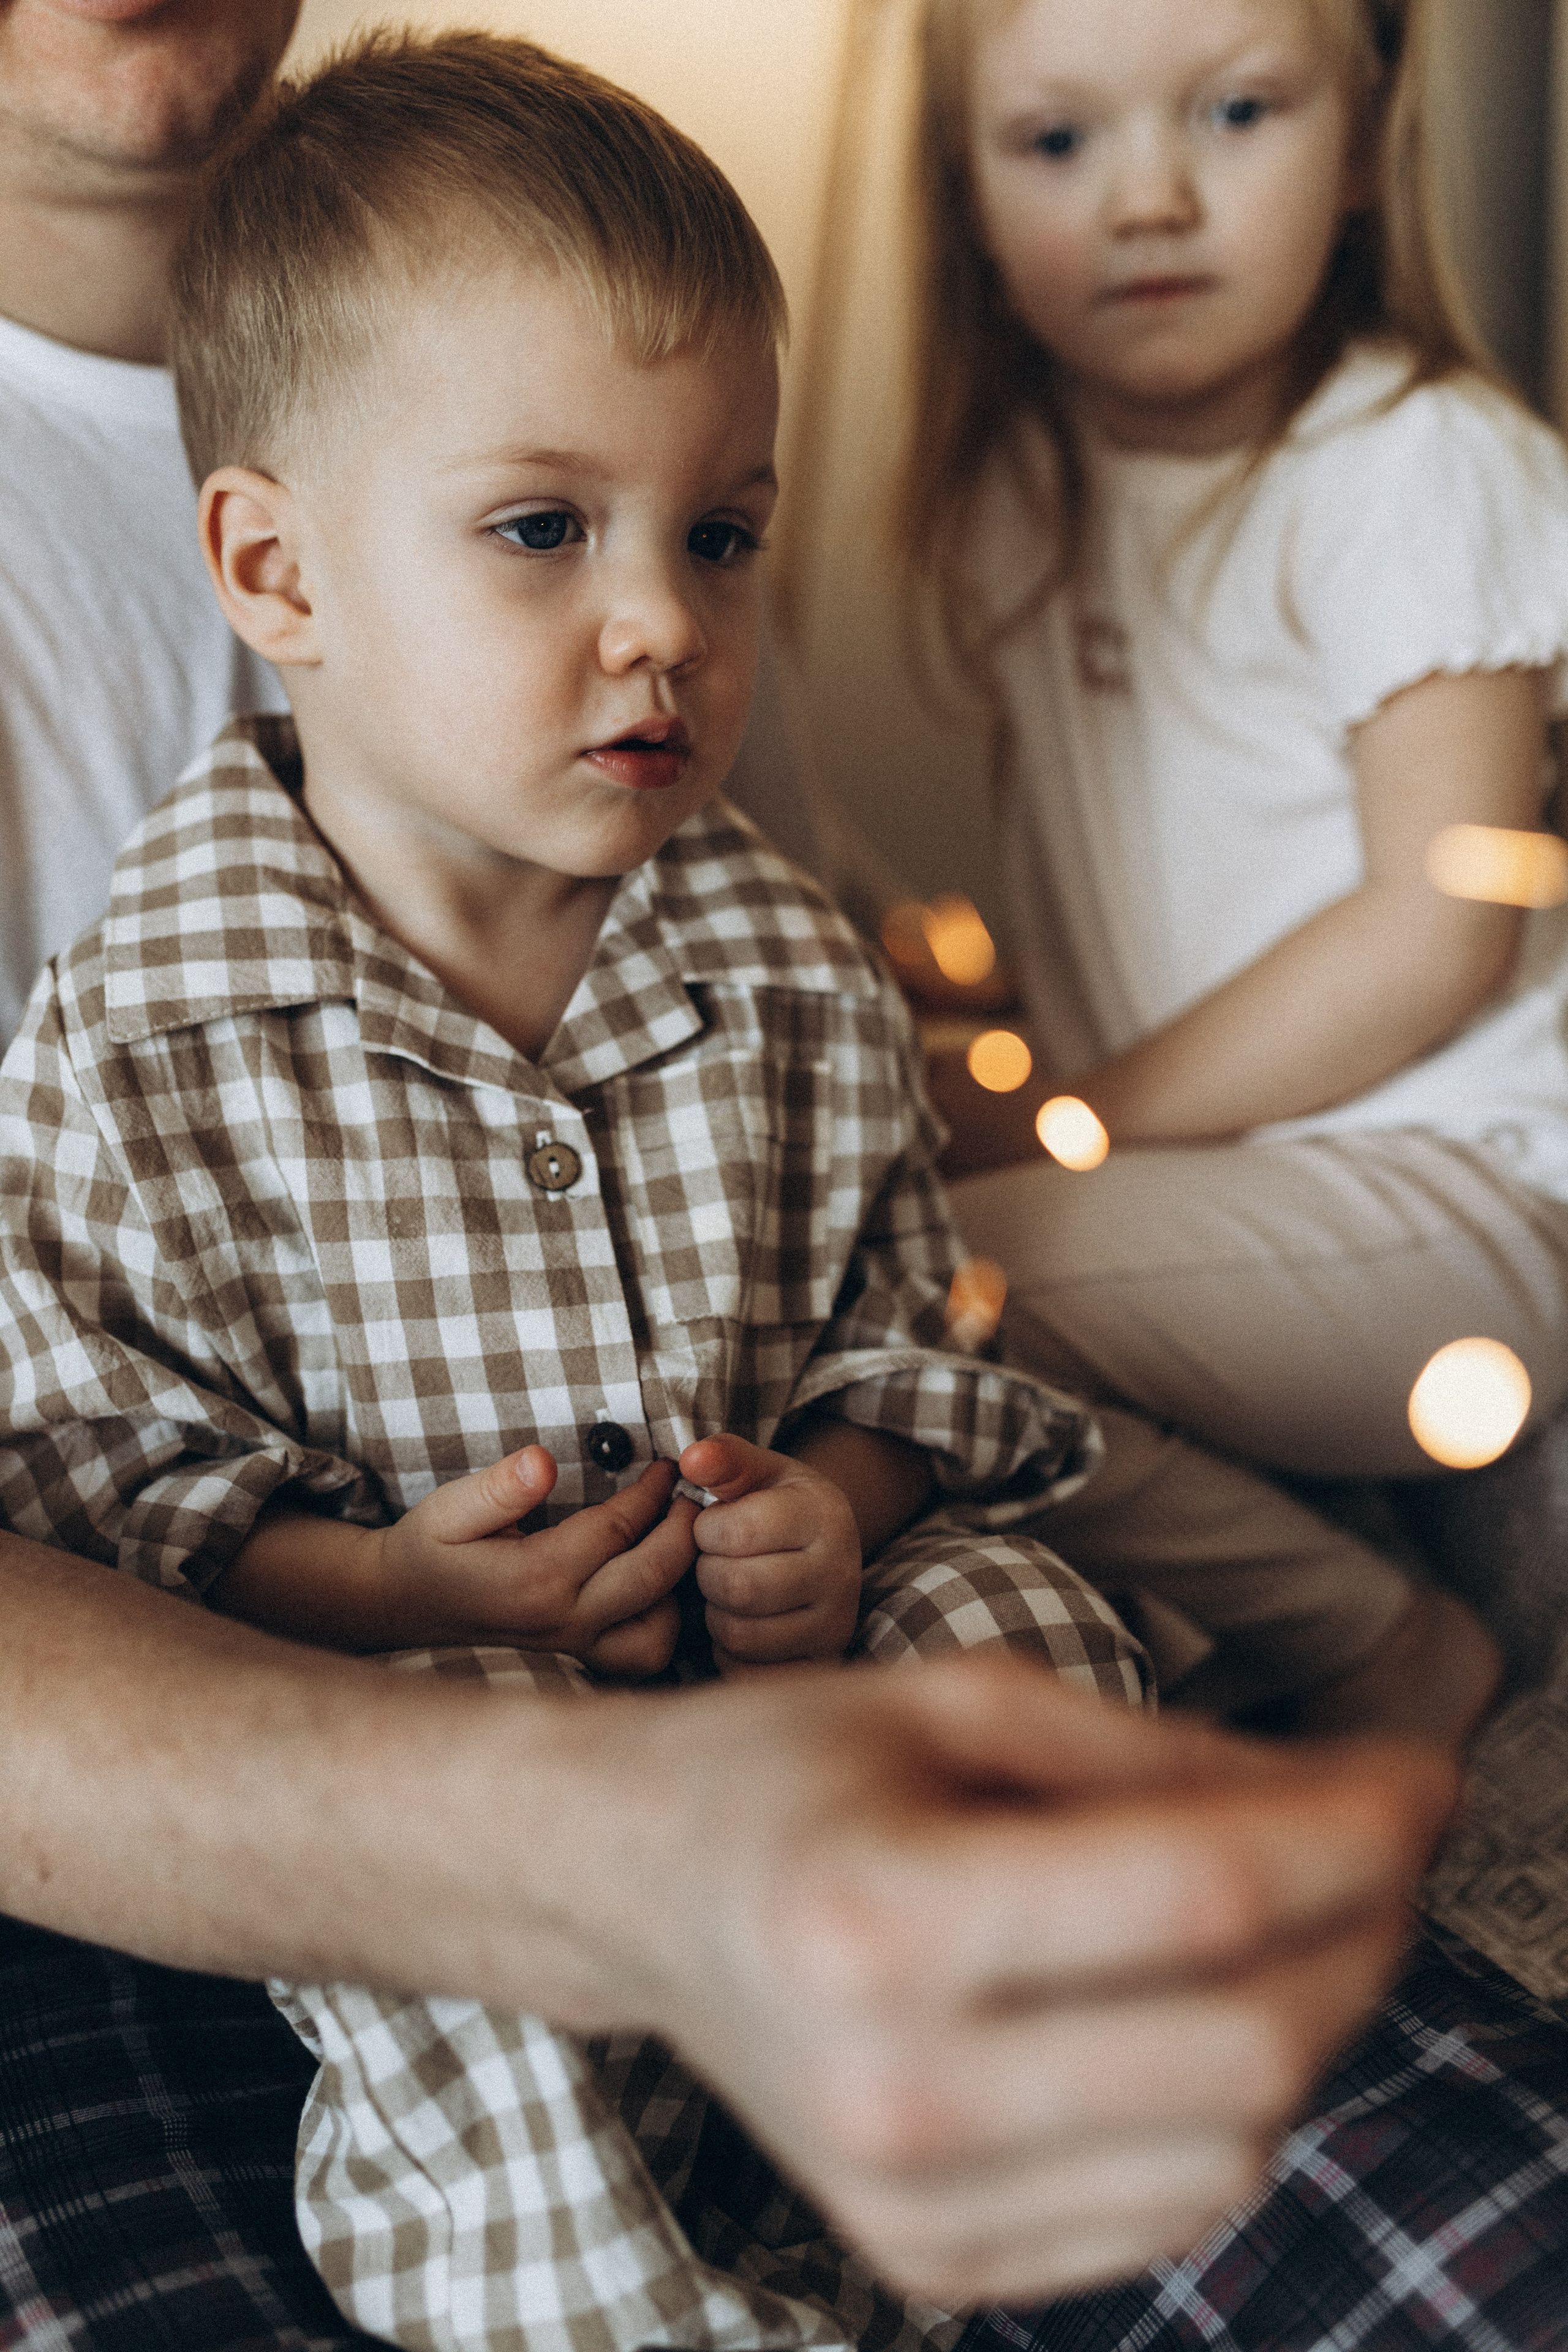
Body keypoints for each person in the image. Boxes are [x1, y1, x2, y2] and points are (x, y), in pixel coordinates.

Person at [0, 0, 1463, 2338]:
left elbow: (905, 1324)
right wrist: (379, 1600)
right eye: (543, 533)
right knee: (450, 1939)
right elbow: (85, 1468)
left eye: (723, 532)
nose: (663, 617)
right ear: (272, 573)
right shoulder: (145, 1031)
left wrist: (848, 1514)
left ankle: (1039, 2202)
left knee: (1034, 1633)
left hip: (794, 1678)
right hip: (418, 1731)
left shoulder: (778, 952)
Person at [900, 0, 1562, 1743]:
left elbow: (1443, 928)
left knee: (947, 1289)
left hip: (1479, 1196)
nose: (1149, 201)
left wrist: (1085, 1116)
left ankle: (1378, 1645)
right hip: (1235, 1187)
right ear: (962, 191)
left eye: (1238, 113)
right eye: (1057, 142)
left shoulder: (1411, 462)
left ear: (1360, 143)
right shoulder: (1023, 480)